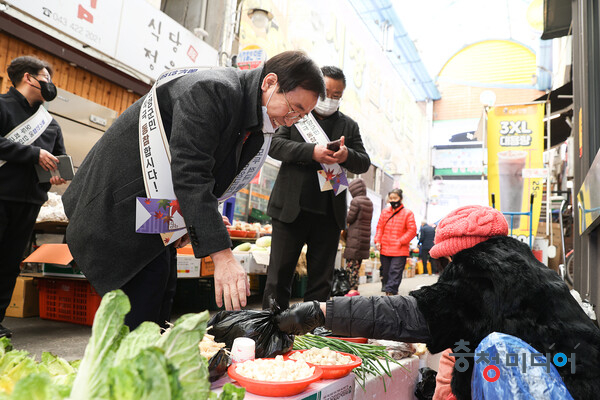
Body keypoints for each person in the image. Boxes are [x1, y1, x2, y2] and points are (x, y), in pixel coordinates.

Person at [62, 51, 325, 330]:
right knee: (139, 315)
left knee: (160, 302)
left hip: (153, 217)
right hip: (119, 208)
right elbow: (190, 173)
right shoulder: (212, 90)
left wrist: (195, 220)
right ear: (269, 82)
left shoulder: (254, 117)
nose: (294, 119)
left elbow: (207, 178)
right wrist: (222, 255)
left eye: (303, 115)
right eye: (294, 108)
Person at [276, 205, 600, 400]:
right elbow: (465, 335)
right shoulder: (521, 262)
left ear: (455, 253)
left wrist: (322, 312)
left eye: (444, 263)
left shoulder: (480, 271)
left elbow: (408, 314)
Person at [262, 66, 370, 310]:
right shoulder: (296, 113)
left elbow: (363, 161)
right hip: (290, 210)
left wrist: (346, 155)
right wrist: (312, 151)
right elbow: (275, 145)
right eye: (327, 92)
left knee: (321, 283)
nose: (330, 99)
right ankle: (270, 329)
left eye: (337, 95)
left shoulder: (349, 126)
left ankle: (312, 335)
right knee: (279, 278)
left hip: (328, 215)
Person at [0, 56, 67, 338]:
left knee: (8, 264)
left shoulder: (50, 124)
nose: (50, 85)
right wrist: (33, 153)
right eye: (46, 78)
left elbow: (60, 158)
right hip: (1, 196)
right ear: (28, 78)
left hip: (30, 203)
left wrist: (58, 174)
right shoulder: (2, 106)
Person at [374, 188, 417, 295]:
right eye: (391, 198)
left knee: (395, 272)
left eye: (395, 198)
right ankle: (389, 290)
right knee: (386, 272)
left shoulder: (408, 213)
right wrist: (377, 241)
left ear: (400, 199)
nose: (393, 200)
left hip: (399, 250)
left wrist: (401, 241)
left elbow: (412, 230)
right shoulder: (385, 212)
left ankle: (391, 292)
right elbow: (379, 228)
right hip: (385, 248)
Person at [342, 178, 373, 296]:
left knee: (351, 266)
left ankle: (352, 289)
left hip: (355, 238)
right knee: (357, 265)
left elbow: (349, 218)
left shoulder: (356, 201)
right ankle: (355, 288)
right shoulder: (368, 201)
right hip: (364, 239)